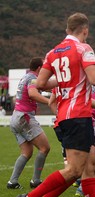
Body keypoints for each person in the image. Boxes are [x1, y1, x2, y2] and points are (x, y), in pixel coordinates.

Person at [15, 12, 95, 197]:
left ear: (67, 30)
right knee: (74, 170)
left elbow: (41, 84)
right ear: (85, 30)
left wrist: (66, 81)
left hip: (66, 115)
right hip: (78, 115)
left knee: (92, 163)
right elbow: (94, 78)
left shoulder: (53, 52)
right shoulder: (84, 48)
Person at [7, 57, 50, 190]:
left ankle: (12, 182)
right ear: (39, 68)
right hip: (24, 117)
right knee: (45, 148)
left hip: (15, 117)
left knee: (26, 152)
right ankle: (36, 180)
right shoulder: (32, 78)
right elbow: (32, 93)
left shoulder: (25, 77)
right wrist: (49, 102)